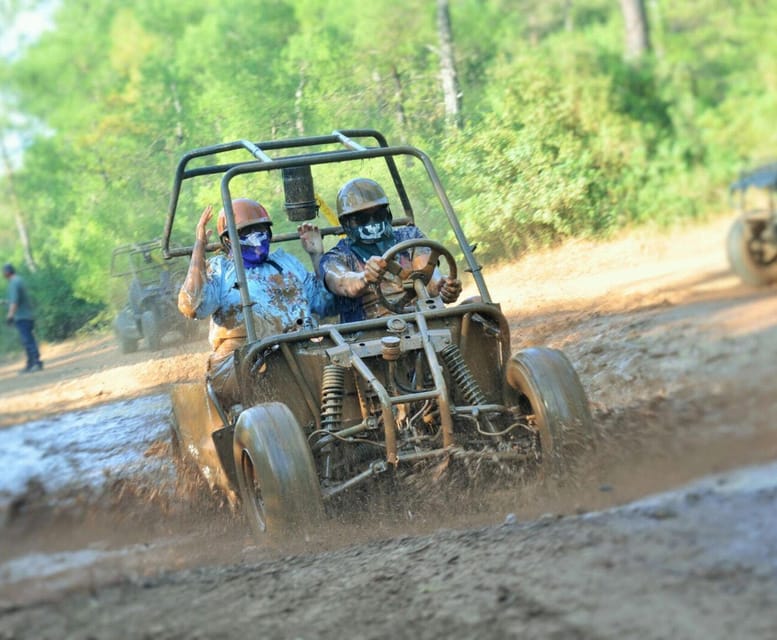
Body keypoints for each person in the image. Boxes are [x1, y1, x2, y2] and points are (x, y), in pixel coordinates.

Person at [178, 198, 334, 409]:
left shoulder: (286, 263)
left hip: (300, 347)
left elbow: (325, 304)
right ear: (228, 241)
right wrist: (199, 247)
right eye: (244, 234)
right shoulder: (220, 271)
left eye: (259, 231)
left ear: (269, 234)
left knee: (341, 361)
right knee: (260, 378)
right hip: (246, 356)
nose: (254, 239)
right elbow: (191, 305)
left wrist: (316, 256)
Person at [318, 177, 462, 322]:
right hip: (369, 334)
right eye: (362, 218)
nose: (372, 223)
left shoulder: (410, 236)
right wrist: (365, 277)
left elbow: (426, 273)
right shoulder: (336, 258)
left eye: (378, 215)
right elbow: (343, 283)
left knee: (476, 306)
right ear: (346, 223)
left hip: (423, 319)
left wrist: (441, 287)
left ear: (387, 214)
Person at [3, 263, 43, 374]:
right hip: (27, 315)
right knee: (27, 340)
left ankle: (36, 363)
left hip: (22, 317)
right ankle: (31, 364)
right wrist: (5, 302)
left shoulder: (13, 283)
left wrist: (10, 315)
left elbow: (15, 302)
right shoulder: (19, 280)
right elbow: (17, 301)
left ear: (7, 272)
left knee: (28, 340)